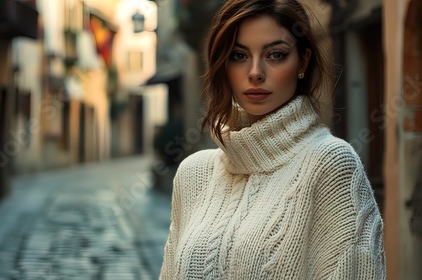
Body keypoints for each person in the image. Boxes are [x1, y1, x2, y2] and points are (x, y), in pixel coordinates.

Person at [159, 0, 386, 279]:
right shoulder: (193, 174)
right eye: (239, 56)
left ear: (302, 61)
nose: (255, 72)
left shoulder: (331, 164)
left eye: (276, 55)